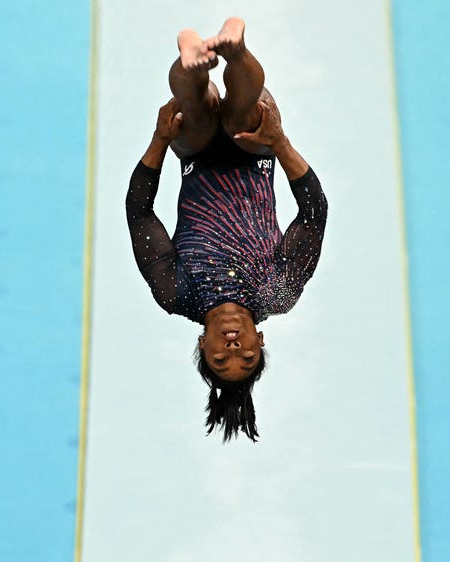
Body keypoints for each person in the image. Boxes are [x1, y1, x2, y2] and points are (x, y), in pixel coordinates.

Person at [125, 17, 328, 442]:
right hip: (256, 149)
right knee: (243, 112)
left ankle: (194, 65)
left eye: (220, 361)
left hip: (194, 153)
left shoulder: (176, 293)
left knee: (193, 109)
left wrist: (160, 140)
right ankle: (235, 50)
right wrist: (280, 143)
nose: (233, 349)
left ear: (203, 346)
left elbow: (141, 215)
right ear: (261, 340)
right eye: (248, 357)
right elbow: (313, 214)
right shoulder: (278, 291)